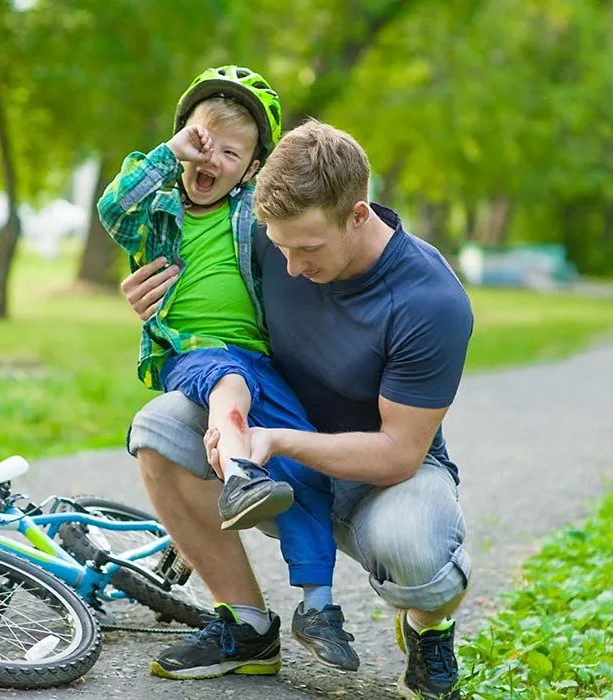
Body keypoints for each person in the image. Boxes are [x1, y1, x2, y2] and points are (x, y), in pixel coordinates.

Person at [121, 119, 474, 700]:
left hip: (378, 476)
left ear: (359, 215)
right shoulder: (273, 237)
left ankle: (429, 630)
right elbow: (188, 243)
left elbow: (397, 453)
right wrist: (153, 298)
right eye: (279, 246)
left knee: (418, 553)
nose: (289, 267)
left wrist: (276, 441)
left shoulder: (430, 301)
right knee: (158, 427)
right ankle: (249, 627)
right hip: (277, 448)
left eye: (307, 249)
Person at [97, 65, 357, 672]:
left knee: (304, 464)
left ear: (252, 168)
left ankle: (318, 605)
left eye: (228, 153)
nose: (206, 158)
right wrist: (168, 154)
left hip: (260, 359)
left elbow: (318, 217)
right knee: (224, 379)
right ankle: (240, 472)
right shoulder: (159, 208)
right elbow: (113, 208)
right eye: (197, 141)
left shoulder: (253, 211)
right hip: (194, 353)